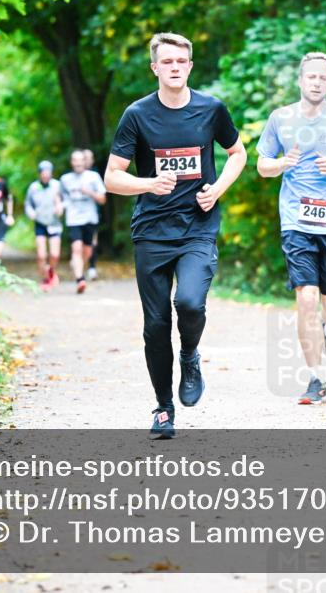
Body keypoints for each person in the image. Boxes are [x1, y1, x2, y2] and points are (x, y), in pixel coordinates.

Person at [105, 32, 247, 439]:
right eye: (166, 62)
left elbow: (238, 153)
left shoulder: (210, 109)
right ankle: (164, 408)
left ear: (189, 66)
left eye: (181, 61)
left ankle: (189, 354)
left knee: (188, 301)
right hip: (151, 230)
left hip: (198, 226)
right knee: (154, 324)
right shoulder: (137, 115)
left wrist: (218, 188)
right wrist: (148, 184)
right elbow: (112, 177)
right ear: (155, 67)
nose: (174, 68)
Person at [256, 52, 326, 404]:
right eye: (311, 77)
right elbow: (262, 165)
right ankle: (315, 379)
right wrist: (280, 163)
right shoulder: (281, 118)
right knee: (306, 298)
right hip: (296, 221)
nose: (317, 82)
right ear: (301, 80)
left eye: (323, 77)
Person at [60, 150, 106, 294]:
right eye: (75, 160)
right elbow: (61, 198)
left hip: (90, 218)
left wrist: (89, 193)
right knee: (76, 249)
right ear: (72, 162)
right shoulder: (65, 179)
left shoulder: (93, 177)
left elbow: (103, 199)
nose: (78, 163)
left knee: (87, 251)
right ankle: (80, 279)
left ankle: (78, 266)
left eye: (80, 160)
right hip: (73, 219)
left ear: (84, 162)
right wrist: (60, 206)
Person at [24, 160, 64, 292]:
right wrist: (31, 214)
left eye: (48, 173)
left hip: (54, 222)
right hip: (40, 222)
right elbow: (28, 204)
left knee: (54, 254)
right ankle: (45, 279)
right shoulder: (34, 187)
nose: (46, 175)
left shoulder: (57, 185)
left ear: (51, 173)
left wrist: (60, 207)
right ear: (39, 174)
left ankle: (51, 271)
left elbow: (66, 201)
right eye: (43, 173)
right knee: (41, 255)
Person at [83, 148, 101, 282]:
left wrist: (89, 193)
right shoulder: (72, 176)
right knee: (82, 244)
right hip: (76, 217)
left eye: (89, 157)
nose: (87, 160)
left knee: (93, 241)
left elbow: (102, 196)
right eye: (85, 157)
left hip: (94, 213)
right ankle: (81, 269)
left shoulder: (95, 175)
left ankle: (92, 267)